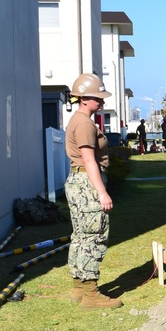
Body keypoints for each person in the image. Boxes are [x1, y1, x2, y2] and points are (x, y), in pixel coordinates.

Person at [65, 73, 122, 310]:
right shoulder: (84, 124)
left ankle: (79, 287)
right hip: (87, 183)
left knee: (80, 235)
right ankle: (90, 295)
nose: (102, 103)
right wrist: (102, 192)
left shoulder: (78, 120)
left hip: (78, 182)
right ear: (84, 98)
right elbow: (89, 160)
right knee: (93, 236)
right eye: (98, 98)